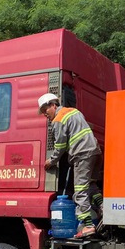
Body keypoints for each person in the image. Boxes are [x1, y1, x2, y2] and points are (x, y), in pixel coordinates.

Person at [38, 92, 103, 238]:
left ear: (53, 105)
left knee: (79, 190)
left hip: (82, 154)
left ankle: (87, 225)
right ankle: (103, 207)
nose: (45, 115)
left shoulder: (58, 120)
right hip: (95, 152)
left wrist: (52, 161)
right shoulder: (74, 111)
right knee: (91, 186)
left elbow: (60, 145)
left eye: (45, 110)